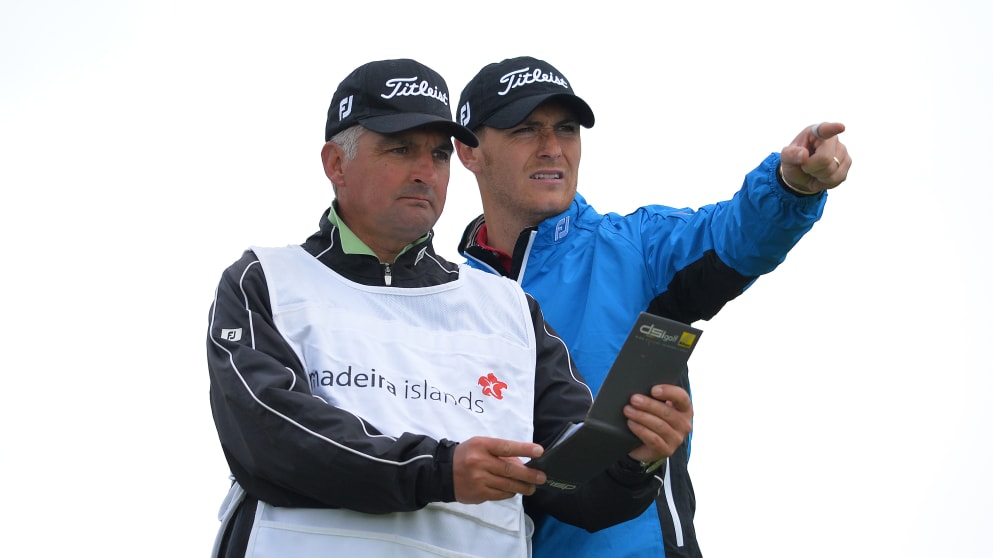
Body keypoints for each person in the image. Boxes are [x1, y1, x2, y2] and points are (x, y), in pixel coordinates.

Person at [206, 58, 695, 558]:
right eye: (400, 149)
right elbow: (271, 439)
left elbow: (573, 490)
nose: (424, 172)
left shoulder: (509, 309)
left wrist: (634, 459)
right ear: (335, 164)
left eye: (439, 155)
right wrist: (439, 470)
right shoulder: (265, 279)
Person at [453, 56, 851, 558]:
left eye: (567, 129)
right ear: (468, 151)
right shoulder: (446, 293)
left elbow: (735, 235)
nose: (552, 148)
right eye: (525, 130)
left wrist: (792, 185)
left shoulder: (636, 248)